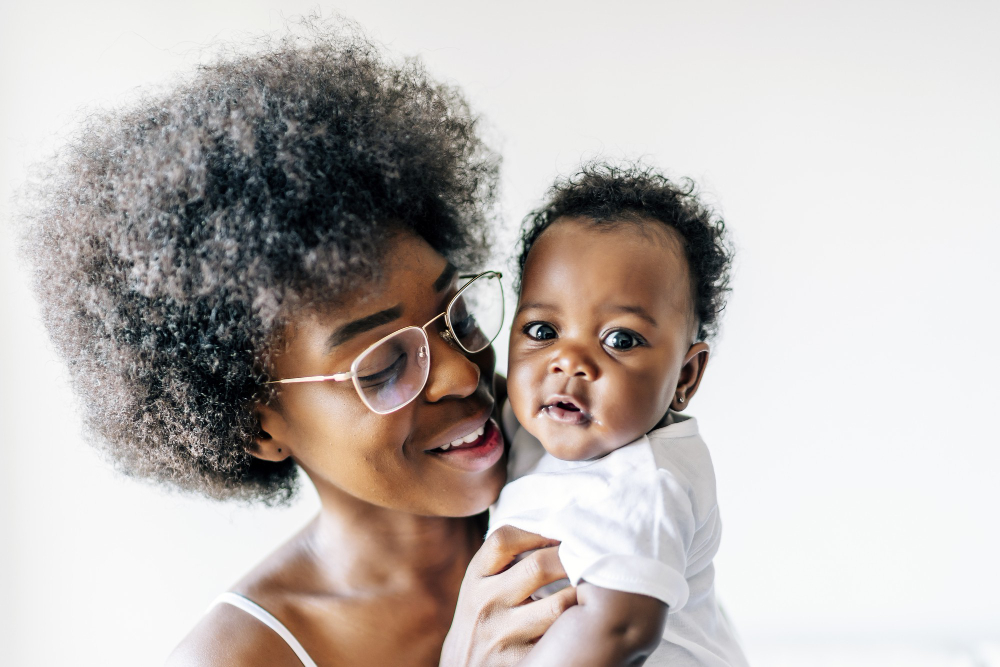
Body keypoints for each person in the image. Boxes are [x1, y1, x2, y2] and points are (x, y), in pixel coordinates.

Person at [20, 24, 576, 666]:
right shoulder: (241, 658)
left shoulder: (579, 471)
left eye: (458, 314)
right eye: (386, 364)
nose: (457, 372)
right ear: (259, 429)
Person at [489, 164, 750, 666]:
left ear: (685, 377)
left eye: (620, 340)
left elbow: (619, 628)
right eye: (543, 331)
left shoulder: (645, 484)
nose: (569, 361)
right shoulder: (538, 430)